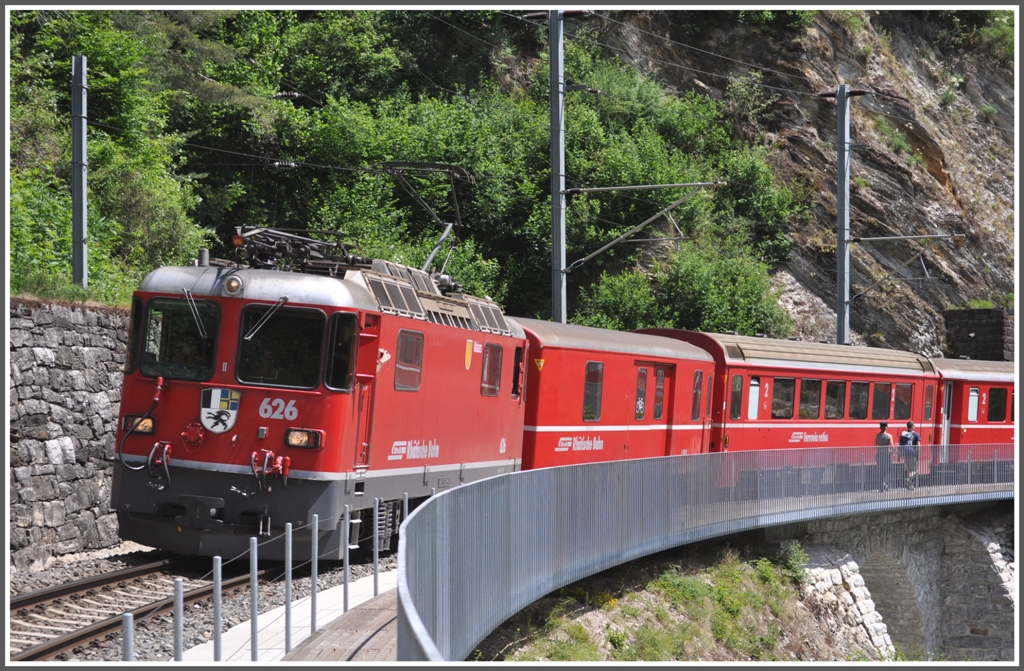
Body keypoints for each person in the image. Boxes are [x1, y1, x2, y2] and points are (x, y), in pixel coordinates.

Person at [899, 420, 921, 489]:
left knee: (908, 469)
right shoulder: (916, 434)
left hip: (905, 453)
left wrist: (900, 454)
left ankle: (910, 485)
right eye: (914, 425)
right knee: (915, 470)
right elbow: (918, 445)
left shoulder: (904, 434)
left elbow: (900, 444)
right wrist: (918, 453)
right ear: (912, 426)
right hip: (912, 453)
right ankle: (909, 480)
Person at [874, 422, 895, 491]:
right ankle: (885, 483)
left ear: (880, 428)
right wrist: (892, 452)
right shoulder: (889, 436)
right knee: (888, 469)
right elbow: (892, 446)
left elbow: (875, 446)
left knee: (880, 470)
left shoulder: (877, 435)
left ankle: (881, 484)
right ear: (886, 427)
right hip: (886, 455)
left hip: (879, 455)